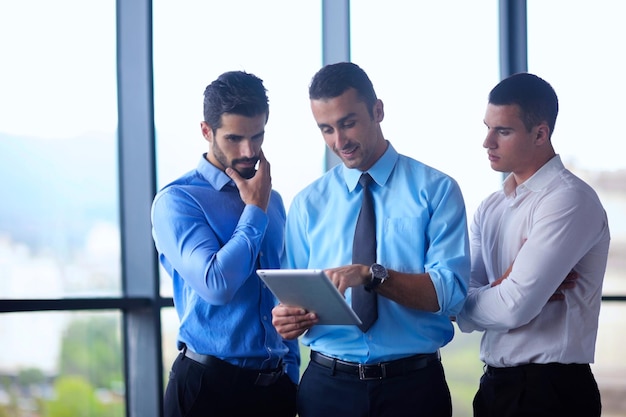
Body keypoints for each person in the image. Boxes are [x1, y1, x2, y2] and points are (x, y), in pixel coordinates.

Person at [272, 62, 470, 417]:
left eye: (348, 123)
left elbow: (450, 294)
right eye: (326, 129)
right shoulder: (307, 204)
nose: (339, 141)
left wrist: (369, 275)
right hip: (327, 388)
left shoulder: (437, 191)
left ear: (378, 110)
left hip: (413, 391)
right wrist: (288, 319)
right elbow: (294, 297)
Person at [456, 73, 610, 417]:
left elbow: (512, 308)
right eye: (487, 127)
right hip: (495, 388)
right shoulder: (490, 208)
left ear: (541, 133)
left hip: (551, 393)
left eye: (503, 131)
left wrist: (491, 297)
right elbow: (458, 306)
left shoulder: (569, 200)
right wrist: (499, 289)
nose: (487, 142)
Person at [151, 70, 299, 417]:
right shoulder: (178, 201)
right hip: (208, 390)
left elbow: (285, 288)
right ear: (207, 131)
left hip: (274, 390)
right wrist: (254, 211)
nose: (249, 151)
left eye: (257, 136)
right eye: (234, 138)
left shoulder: (273, 201)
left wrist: (291, 373)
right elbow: (216, 284)